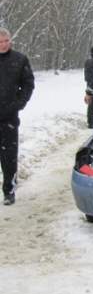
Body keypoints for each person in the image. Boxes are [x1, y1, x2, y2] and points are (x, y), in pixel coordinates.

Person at [0, 27, 35, 205]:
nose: (4, 45)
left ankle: (9, 190)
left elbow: (28, 84)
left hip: (9, 117)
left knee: (8, 157)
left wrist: (18, 104)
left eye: (6, 41)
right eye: (0, 42)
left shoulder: (19, 59)